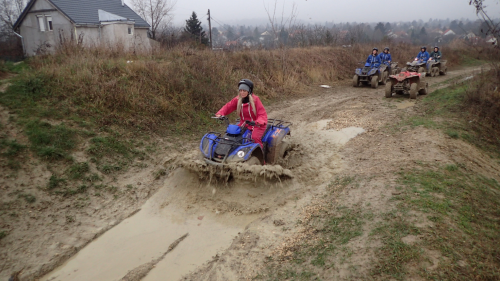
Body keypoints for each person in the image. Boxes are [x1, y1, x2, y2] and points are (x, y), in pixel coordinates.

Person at [215, 79, 268, 149]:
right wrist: (220, 113)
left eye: (244, 91)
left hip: (256, 125)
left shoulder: (255, 100)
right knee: (232, 134)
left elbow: (262, 114)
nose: (242, 93)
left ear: (249, 91)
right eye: (240, 90)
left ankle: (260, 158)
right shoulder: (238, 99)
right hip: (244, 124)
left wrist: (258, 122)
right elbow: (228, 106)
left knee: (254, 138)